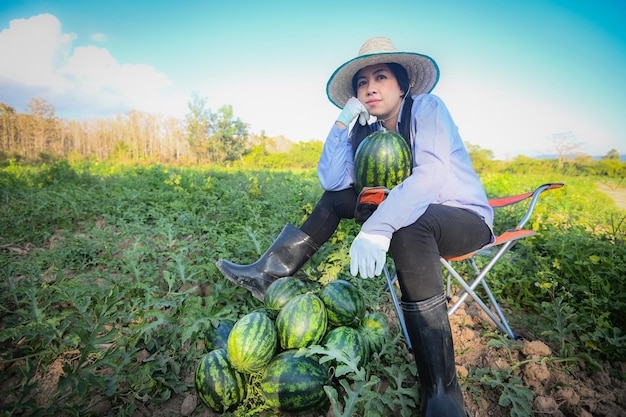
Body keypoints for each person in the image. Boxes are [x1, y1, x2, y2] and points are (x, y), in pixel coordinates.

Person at [216, 37, 494, 417]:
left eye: (381, 77)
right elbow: (333, 182)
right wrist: (343, 122)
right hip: (406, 215)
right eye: (362, 83)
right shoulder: (367, 128)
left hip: (460, 218)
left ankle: (442, 391)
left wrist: (379, 227)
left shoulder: (427, 108)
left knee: (410, 227)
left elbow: (430, 178)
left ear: (403, 85)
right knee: (335, 201)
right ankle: (267, 274)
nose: (370, 88)